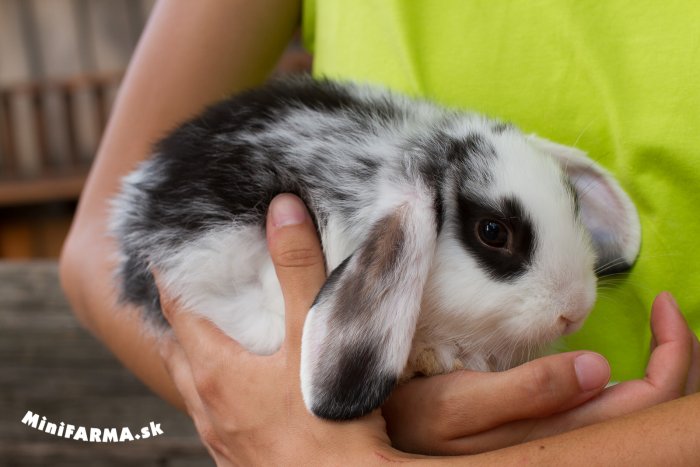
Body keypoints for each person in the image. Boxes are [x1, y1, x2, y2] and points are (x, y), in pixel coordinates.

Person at [60, 1, 700, 464]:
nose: (575, 307)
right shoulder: (401, 215)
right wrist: (297, 422)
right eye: (494, 237)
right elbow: (104, 247)